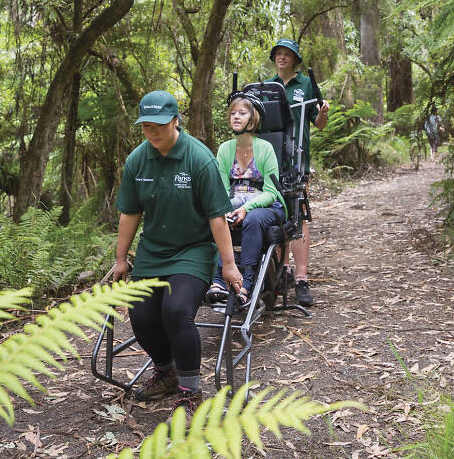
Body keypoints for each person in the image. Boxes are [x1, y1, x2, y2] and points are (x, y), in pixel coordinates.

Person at [112, 90, 243, 411]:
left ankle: (190, 388)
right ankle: (165, 371)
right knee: (141, 316)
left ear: (175, 120)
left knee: (176, 311)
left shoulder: (199, 159)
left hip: (193, 251)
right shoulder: (137, 160)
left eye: (158, 125)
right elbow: (130, 213)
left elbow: (216, 216)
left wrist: (228, 264)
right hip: (153, 252)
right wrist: (120, 259)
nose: (152, 132)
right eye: (146, 126)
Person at [205, 92, 287, 306]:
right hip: (233, 202)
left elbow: (271, 191)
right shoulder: (225, 149)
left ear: (253, 118)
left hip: (267, 204)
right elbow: (221, 189)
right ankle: (218, 281)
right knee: (216, 218)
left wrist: (246, 208)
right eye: (233, 113)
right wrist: (221, 210)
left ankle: (246, 285)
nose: (236, 117)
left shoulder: (265, 148)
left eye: (242, 113)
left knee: (253, 219)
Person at [268, 39, 329, 307]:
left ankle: (302, 279)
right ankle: (283, 273)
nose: (282, 58)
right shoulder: (268, 86)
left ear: (295, 59)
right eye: (278, 54)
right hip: (272, 160)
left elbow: (319, 123)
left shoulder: (305, 84)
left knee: (298, 214)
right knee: (276, 214)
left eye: (287, 55)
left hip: (297, 158)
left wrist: (324, 112)